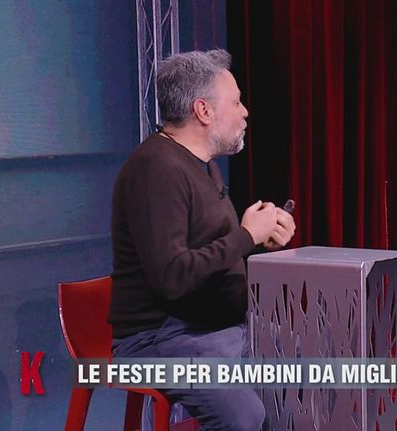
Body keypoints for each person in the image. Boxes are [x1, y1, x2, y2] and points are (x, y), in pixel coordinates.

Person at [108, 49, 295, 431]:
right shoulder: (156, 169)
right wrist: (246, 235)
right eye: (236, 102)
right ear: (203, 111)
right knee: (244, 417)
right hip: (161, 337)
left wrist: (259, 236)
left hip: (216, 326)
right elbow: (173, 276)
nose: (245, 112)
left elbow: (212, 254)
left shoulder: (203, 167)